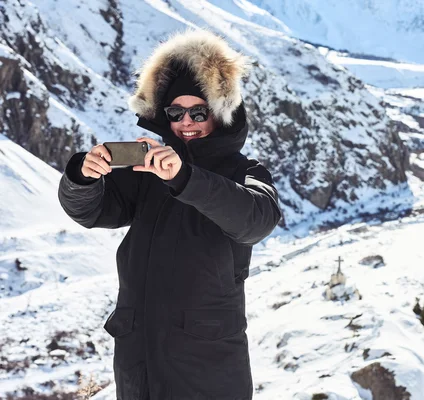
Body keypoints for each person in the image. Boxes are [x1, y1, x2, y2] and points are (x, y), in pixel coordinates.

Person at [57, 29, 282, 400]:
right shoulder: (148, 171)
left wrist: (184, 177)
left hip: (206, 367)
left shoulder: (245, 172)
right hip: (138, 360)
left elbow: (256, 219)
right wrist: (83, 176)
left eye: (198, 111)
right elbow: (92, 212)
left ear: (221, 112)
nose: (187, 121)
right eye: (176, 112)